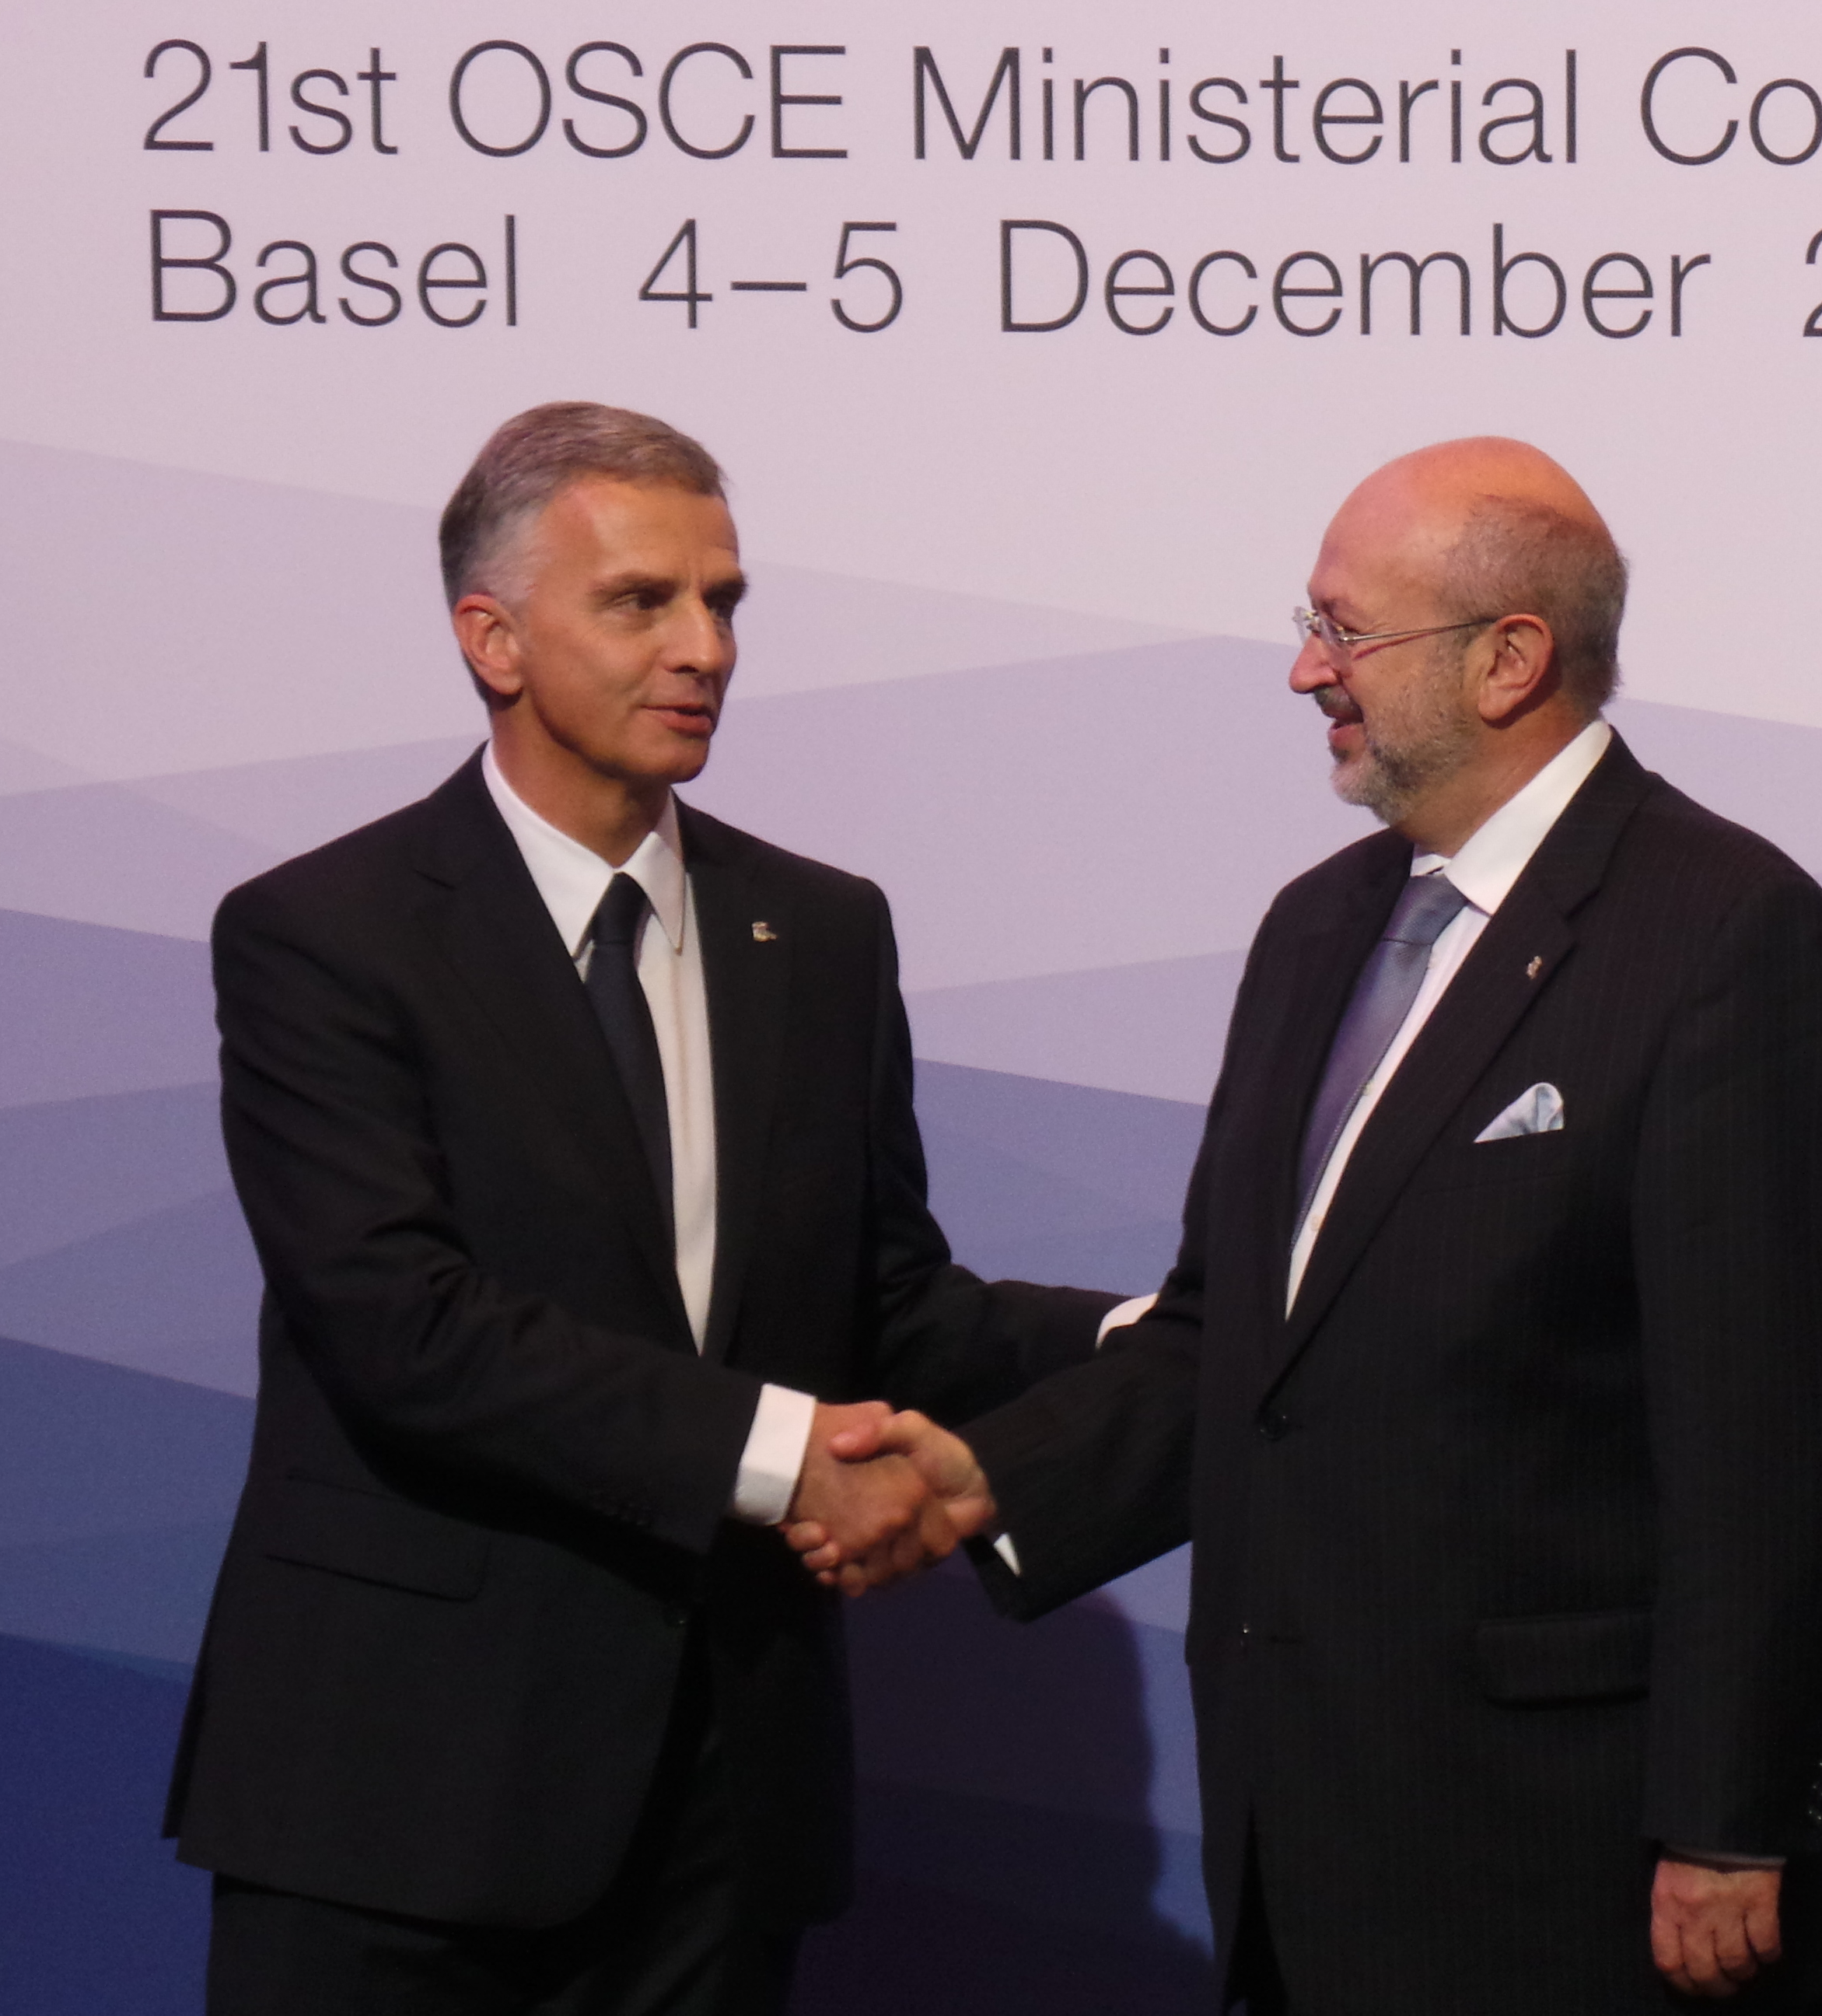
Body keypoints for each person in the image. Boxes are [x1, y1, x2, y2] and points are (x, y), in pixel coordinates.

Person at [799, 438, 1822, 2010]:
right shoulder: (1318, 927)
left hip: (1579, 1859)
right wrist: (975, 1479)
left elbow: (1781, 1426)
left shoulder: (1727, 937)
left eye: (1346, 631)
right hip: (1312, 1835)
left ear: (1510, 657)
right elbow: (1239, 1343)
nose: (1307, 670)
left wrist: (1730, 1821)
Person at [166, 401, 1128, 2014]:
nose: (705, 650)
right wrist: (787, 1458)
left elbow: (890, 1305)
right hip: (401, 1797)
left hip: (721, 1804)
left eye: (725, 602)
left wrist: (1154, 1331)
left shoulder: (819, 932)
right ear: (493, 638)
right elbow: (408, 1331)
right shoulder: (322, 937)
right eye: (641, 603)